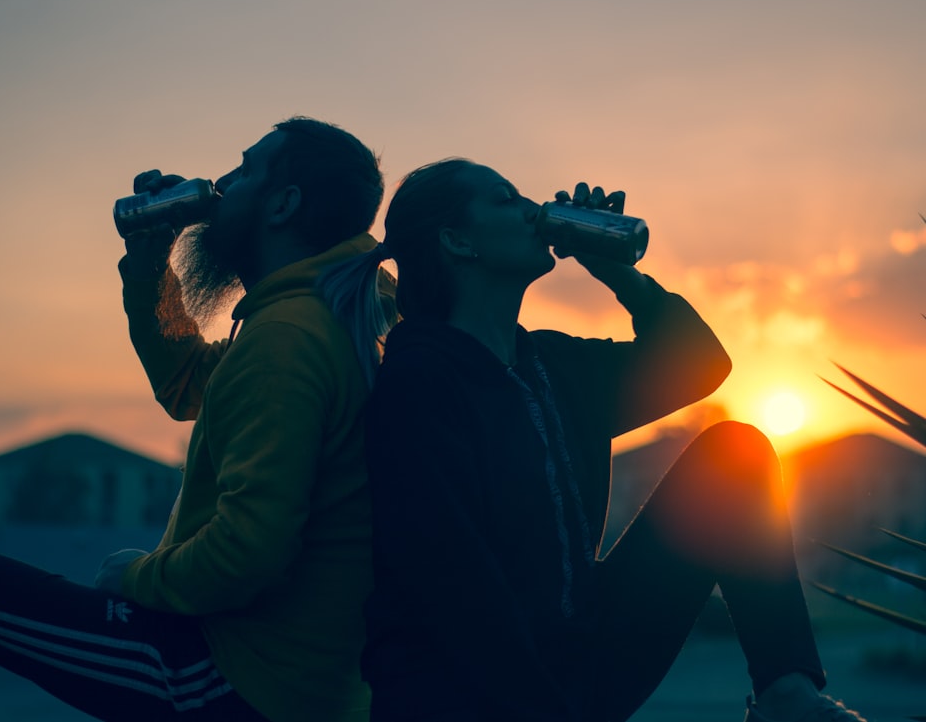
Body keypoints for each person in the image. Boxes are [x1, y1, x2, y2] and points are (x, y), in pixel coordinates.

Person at [318, 158, 868, 721]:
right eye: (508, 200)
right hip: (466, 693)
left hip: (580, 657)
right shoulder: (418, 384)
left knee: (734, 455)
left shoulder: (551, 365)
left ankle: (787, 698)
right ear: (458, 241)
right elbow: (454, 590)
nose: (534, 210)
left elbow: (700, 362)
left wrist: (615, 270)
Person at [0, 117, 396, 721]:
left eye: (246, 169)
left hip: (239, 679)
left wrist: (135, 578)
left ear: (283, 204)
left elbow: (246, 555)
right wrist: (151, 261)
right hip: (307, 679)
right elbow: (189, 384)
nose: (222, 183)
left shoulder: (288, 337)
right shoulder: (331, 316)